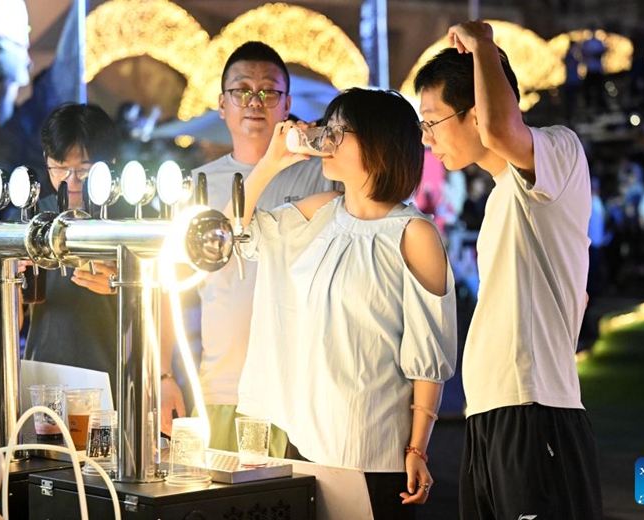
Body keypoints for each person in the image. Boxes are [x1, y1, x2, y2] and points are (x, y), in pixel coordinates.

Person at [234, 88, 457, 518]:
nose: (328, 140)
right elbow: (235, 235)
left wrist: (418, 449)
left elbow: (428, 354)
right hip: (305, 440)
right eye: (328, 128)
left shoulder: (413, 234)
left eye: (341, 130)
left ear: (380, 143)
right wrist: (269, 164)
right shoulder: (319, 213)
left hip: (373, 451)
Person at [413, 21, 602, 519]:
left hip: (536, 412)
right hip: (492, 414)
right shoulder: (501, 196)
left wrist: (481, 44)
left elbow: (501, 129)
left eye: (432, 121)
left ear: (475, 112)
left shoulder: (559, 150)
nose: (426, 138)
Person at [159, 42, 333, 455]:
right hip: (223, 385)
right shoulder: (194, 185)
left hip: (304, 387)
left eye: (268, 91)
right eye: (242, 90)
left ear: (287, 103)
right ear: (222, 104)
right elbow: (166, 287)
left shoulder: (322, 176)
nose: (255, 102)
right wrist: (163, 375)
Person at [22, 103, 123, 393]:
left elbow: (163, 307)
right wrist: (12, 286)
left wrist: (121, 283)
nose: (71, 181)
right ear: (47, 160)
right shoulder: (35, 221)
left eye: (84, 170)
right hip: (44, 377)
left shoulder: (130, 219)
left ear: (111, 162)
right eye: (61, 168)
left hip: (114, 375)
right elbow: (14, 321)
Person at [0, 0, 31, 127]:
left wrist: (24, 53)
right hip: (7, 50)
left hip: (17, 53)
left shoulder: (19, 3)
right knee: (7, 90)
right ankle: (1, 129)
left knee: (11, 92)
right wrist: (15, 40)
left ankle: (3, 128)